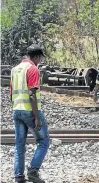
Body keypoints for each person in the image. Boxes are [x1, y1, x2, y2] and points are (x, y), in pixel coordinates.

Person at [10, 44, 50, 183]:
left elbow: (11, 93)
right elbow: (32, 94)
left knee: (19, 145)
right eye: (40, 58)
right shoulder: (33, 69)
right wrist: (37, 117)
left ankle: (19, 176)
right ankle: (33, 171)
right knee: (44, 141)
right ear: (37, 57)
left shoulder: (15, 69)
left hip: (17, 110)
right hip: (29, 111)